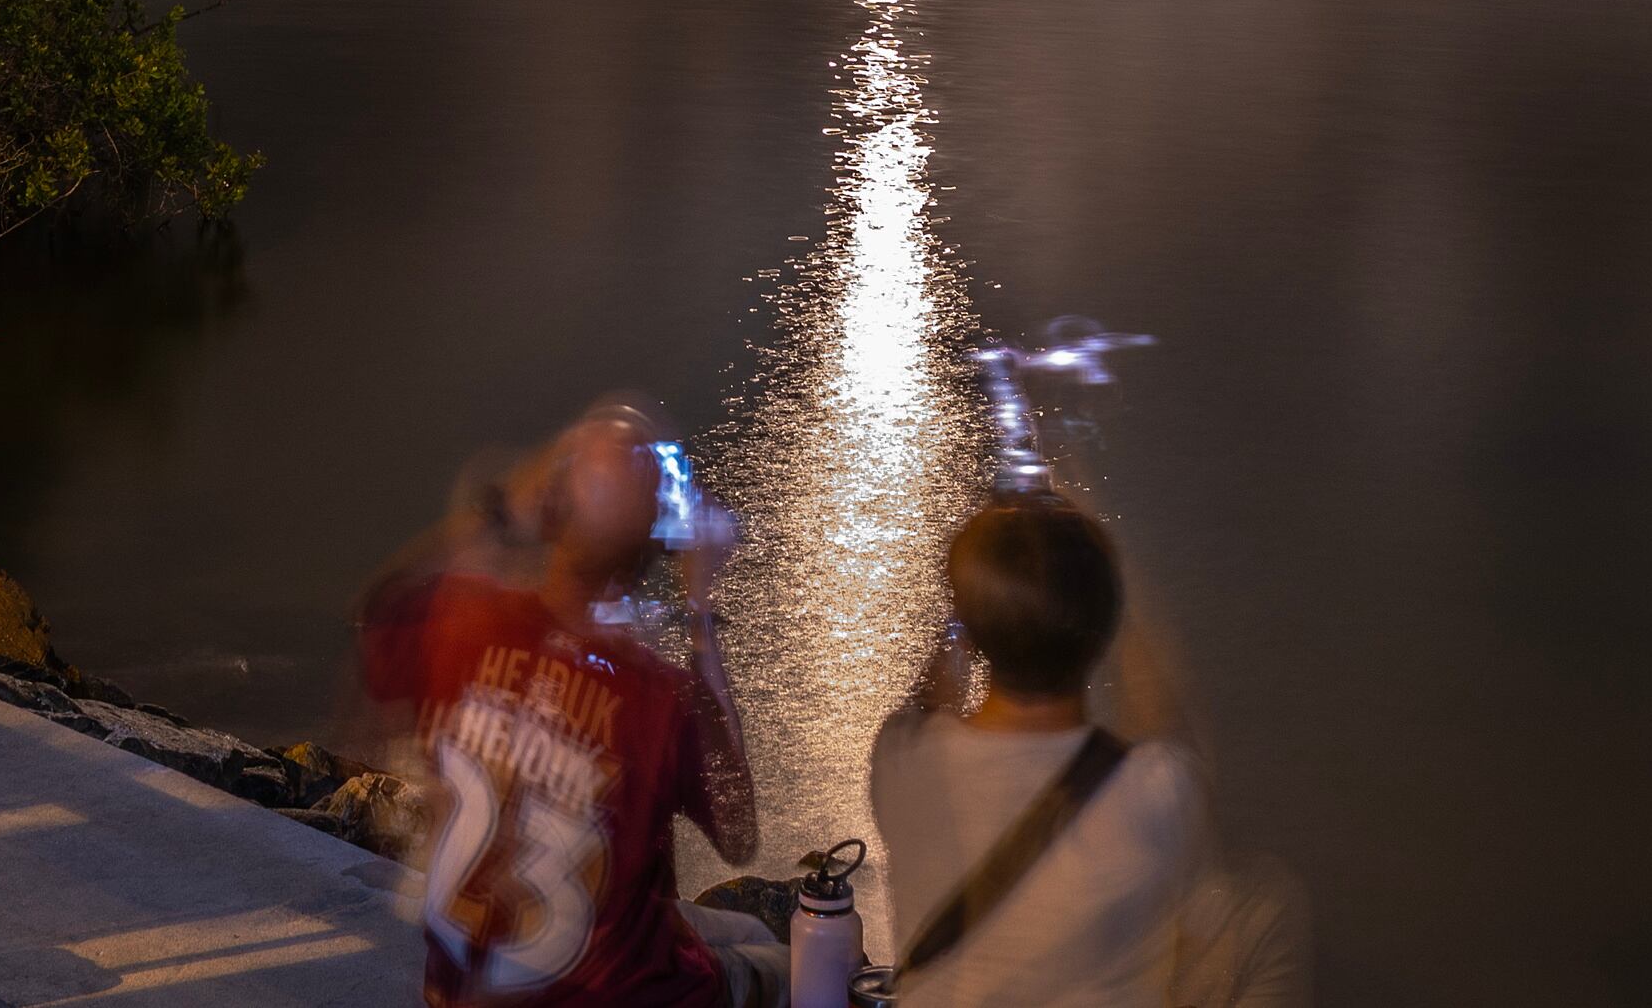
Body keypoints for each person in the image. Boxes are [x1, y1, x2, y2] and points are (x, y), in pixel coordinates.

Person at [359, 402, 774, 1006]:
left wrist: (499, 511)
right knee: (784, 961)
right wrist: (700, 606)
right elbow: (737, 829)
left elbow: (379, 612)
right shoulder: (653, 697)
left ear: (549, 510)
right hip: (611, 991)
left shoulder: (464, 622)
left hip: (457, 989)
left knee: (738, 929)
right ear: (652, 547)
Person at [868, 497, 1206, 1005]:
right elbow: (1159, 710)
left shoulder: (903, 765)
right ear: (1102, 631)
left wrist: (957, 628)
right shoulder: (1160, 790)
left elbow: (920, 708)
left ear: (974, 634)